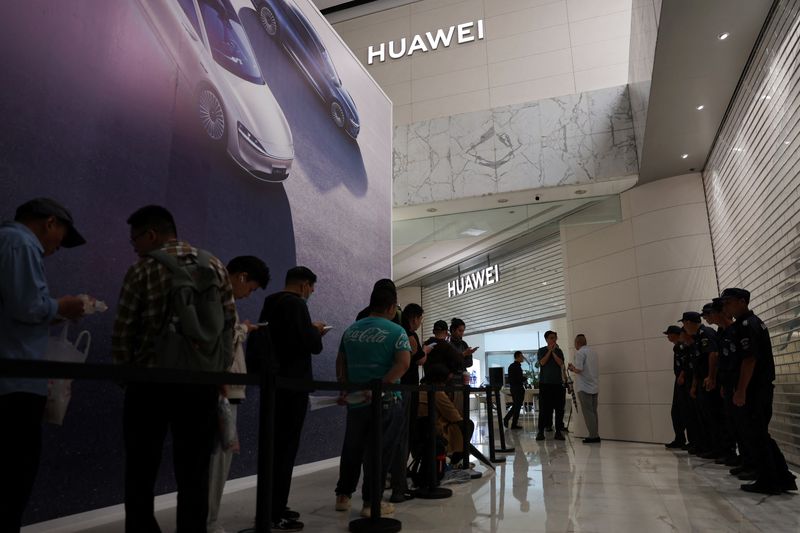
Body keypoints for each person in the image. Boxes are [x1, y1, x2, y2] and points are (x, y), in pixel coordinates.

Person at [112, 205, 236, 532]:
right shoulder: (214, 265)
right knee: (194, 472)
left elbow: (124, 329)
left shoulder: (142, 270)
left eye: (135, 239)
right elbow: (229, 326)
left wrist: (126, 375)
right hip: (200, 384)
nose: (134, 246)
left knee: (141, 470)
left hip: (149, 383)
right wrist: (217, 372)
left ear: (151, 234)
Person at [0, 198, 86, 532]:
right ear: (50, 223)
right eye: (61, 238)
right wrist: (61, 305)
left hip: (12, 376)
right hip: (16, 381)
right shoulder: (21, 243)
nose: (57, 248)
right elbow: (27, 306)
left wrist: (50, 312)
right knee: (14, 476)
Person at [256, 266, 327, 531]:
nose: (312, 292)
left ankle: (271, 505)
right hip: (293, 386)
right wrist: (316, 331)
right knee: (286, 449)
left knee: (272, 449)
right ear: (304, 285)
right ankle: (276, 513)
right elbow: (311, 345)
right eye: (312, 287)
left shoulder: (270, 302)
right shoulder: (297, 305)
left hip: (272, 384)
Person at [334, 287, 410, 517]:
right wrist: (379, 385)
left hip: (356, 401)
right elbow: (403, 364)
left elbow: (341, 363)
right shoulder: (396, 331)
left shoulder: (350, 330)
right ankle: (371, 502)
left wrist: (346, 388)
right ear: (390, 307)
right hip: (385, 400)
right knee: (380, 451)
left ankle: (343, 496)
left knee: (352, 448)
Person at [207, 256, 270, 533]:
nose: (249, 294)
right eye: (252, 288)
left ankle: (206, 519)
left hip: (221, 387)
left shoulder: (212, 295)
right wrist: (244, 329)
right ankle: (209, 521)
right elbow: (221, 340)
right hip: (223, 390)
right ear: (241, 277)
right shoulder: (221, 298)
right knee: (217, 461)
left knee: (214, 460)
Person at [720, 287, 796, 494]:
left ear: (742, 301)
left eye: (729, 302)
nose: (725, 306)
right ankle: (783, 477)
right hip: (754, 388)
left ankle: (769, 481)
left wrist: (741, 390)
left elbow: (749, 359)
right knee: (760, 435)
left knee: (756, 436)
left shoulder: (748, 325)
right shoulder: (744, 325)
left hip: (755, 390)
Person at [390, 303, 428, 503]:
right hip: (405, 388)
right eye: (420, 319)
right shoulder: (408, 335)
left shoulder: (396, 331)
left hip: (395, 388)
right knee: (404, 431)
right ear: (414, 318)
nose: (420, 323)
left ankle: (392, 475)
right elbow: (415, 360)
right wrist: (425, 351)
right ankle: (398, 478)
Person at [680, 311, 731, 460]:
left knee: (716, 416)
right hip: (702, 381)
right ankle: (713, 447)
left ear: (688, 322)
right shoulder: (697, 338)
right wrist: (695, 385)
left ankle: (724, 450)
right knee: (707, 417)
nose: (684, 327)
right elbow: (697, 365)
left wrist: (711, 376)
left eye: (684, 323)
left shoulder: (705, 333)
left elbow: (713, 354)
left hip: (710, 381)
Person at [418, 363, 475, 466]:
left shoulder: (420, 389)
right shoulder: (437, 393)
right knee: (467, 424)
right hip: (435, 432)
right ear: (441, 379)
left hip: (418, 431)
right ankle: (456, 460)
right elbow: (454, 416)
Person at [663, 325, 691, 449]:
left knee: (686, 411)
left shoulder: (683, 346)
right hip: (679, 381)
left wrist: (682, 375)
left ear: (676, 334)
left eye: (669, 334)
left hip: (684, 381)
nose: (668, 337)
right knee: (676, 412)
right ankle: (679, 438)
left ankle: (692, 441)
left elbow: (687, 362)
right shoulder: (677, 347)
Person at [568, 334, 599, 443]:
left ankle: (593, 436)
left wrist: (572, 368)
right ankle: (595, 434)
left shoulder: (580, 353)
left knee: (588, 412)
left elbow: (579, 369)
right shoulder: (593, 352)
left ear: (577, 343)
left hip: (584, 387)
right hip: (594, 386)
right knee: (593, 412)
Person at [536, 331, 566, 441]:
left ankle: (558, 432)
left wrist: (554, 352)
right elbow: (542, 363)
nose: (554, 340)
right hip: (545, 384)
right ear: (547, 339)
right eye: (552, 338)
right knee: (544, 409)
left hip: (558, 384)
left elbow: (561, 364)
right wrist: (549, 351)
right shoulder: (541, 350)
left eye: (555, 338)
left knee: (559, 409)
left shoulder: (559, 351)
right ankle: (540, 432)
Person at [448, 318, 476, 415]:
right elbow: (448, 363)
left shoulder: (464, 344)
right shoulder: (447, 344)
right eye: (460, 331)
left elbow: (470, 362)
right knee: (452, 410)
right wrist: (462, 357)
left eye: (463, 331)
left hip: (462, 380)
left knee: (463, 409)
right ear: (452, 330)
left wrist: (459, 360)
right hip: (450, 382)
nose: (462, 333)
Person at [503, 351, 525, 430]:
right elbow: (517, 379)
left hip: (515, 388)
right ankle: (507, 419)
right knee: (516, 406)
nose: (523, 358)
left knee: (517, 406)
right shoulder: (515, 367)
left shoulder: (514, 366)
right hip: (517, 389)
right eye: (522, 356)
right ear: (518, 357)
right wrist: (524, 378)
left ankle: (513, 424)